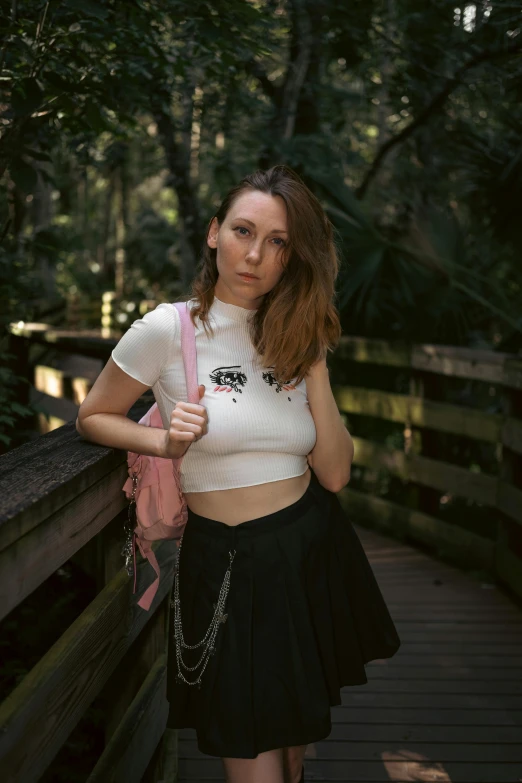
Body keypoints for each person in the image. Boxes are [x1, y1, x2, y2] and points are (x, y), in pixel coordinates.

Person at [76, 164, 401, 783]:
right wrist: (162, 440)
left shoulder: (296, 334)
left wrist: (316, 362)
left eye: (278, 241)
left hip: (309, 549)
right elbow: (93, 416)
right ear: (212, 232)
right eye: (243, 231)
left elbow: (335, 474)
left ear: (293, 256)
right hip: (223, 561)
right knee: (252, 762)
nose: (255, 254)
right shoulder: (168, 329)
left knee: (293, 750)